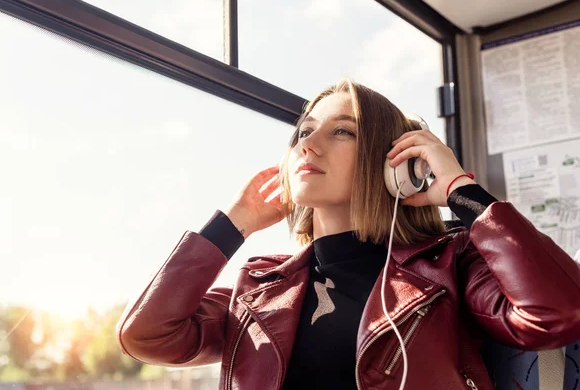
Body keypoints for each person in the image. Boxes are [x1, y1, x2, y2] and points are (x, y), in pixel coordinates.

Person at [116, 79, 580, 390]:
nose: (308, 144)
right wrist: (230, 227)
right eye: (304, 130)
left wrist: (463, 193)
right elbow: (147, 335)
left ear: (393, 163)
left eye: (341, 131)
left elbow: (557, 314)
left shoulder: (449, 262)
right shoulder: (262, 286)